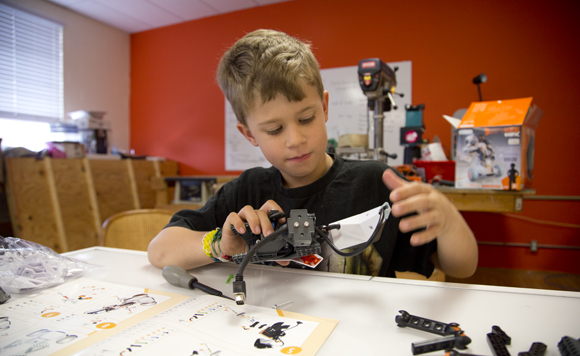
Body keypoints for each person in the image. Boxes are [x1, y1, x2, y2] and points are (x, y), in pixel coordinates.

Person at [148, 29, 477, 279]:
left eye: (306, 118)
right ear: (248, 134)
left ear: (324, 106)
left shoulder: (374, 185)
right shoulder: (246, 192)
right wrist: (221, 245)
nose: (296, 139)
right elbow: (159, 250)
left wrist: (448, 220)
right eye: (274, 130)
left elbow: (462, 267)